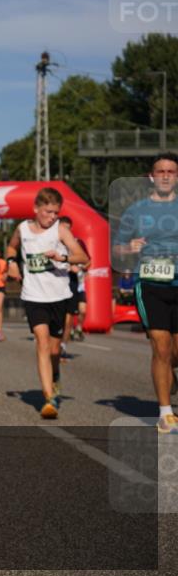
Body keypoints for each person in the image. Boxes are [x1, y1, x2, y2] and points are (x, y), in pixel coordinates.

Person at [7, 187, 88, 420]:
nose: (52, 217)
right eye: (48, 212)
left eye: (56, 213)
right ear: (36, 209)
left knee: (54, 350)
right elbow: (12, 247)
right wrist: (12, 261)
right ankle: (48, 399)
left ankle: (55, 375)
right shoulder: (22, 228)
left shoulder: (60, 230)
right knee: (41, 343)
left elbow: (83, 257)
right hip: (34, 296)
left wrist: (61, 257)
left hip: (59, 296)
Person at [113, 152, 178, 434]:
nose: (165, 175)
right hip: (150, 283)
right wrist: (129, 247)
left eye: (171, 171)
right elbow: (116, 247)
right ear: (152, 177)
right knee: (161, 347)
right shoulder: (136, 211)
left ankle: (169, 375)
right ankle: (165, 413)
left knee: (174, 353)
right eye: (160, 171)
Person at [58, 216, 90, 345]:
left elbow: (87, 260)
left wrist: (81, 268)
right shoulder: (52, 242)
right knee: (57, 318)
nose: (65, 231)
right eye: (62, 228)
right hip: (55, 283)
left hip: (74, 283)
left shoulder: (77, 243)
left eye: (68, 228)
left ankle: (64, 346)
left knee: (71, 316)